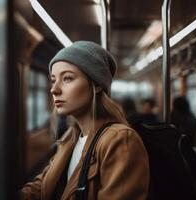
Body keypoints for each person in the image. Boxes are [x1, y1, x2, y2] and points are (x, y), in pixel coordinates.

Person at [21, 41, 149, 200]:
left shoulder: (120, 140)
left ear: (96, 85)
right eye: (53, 80)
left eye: (67, 79)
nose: (54, 89)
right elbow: (41, 186)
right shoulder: (70, 138)